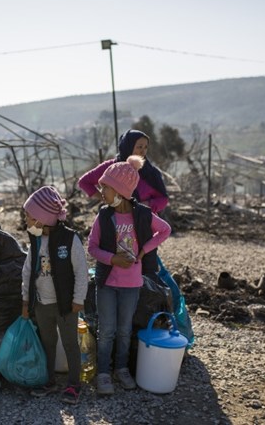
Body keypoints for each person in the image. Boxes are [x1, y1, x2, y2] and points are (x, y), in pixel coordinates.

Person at [87, 156, 171, 395]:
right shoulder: (103, 216)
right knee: (107, 330)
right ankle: (103, 372)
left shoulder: (143, 215)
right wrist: (112, 259)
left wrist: (144, 250)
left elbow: (165, 230)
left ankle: (121, 369)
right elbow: (92, 247)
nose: (101, 192)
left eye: (105, 187)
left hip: (131, 284)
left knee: (124, 330)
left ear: (120, 191)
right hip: (106, 284)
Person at [21, 186, 89, 404]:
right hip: (42, 304)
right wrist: (26, 300)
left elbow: (81, 271)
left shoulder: (70, 240)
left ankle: (73, 384)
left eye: (29, 216)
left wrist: (79, 299)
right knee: (47, 342)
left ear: (42, 218)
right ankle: (49, 380)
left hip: (66, 305)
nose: (26, 220)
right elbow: (28, 271)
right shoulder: (35, 239)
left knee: (70, 343)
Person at [78, 129, 169, 214]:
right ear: (128, 146)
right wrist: (106, 198)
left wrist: (146, 205)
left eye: (145, 147)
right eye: (139, 147)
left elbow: (163, 199)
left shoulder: (151, 173)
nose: (143, 151)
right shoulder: (112, 168)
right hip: (117, 222)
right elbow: (84, 182)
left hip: (144, 222)